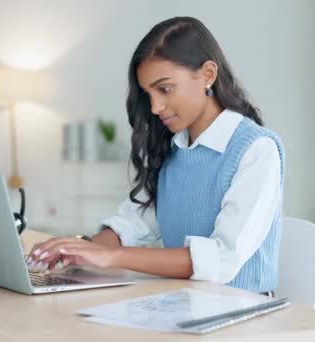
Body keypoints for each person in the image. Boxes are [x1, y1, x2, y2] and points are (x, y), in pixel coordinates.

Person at [27, 16, 285, 294]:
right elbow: (133, 222)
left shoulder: (257, 149)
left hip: (242, 311)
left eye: (164, 89)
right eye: (148, 94)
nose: (155, 107)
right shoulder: (174, 148)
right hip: (186, 302)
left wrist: (112, 257)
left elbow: (222, 259)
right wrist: (79, 249)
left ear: (208, 74)